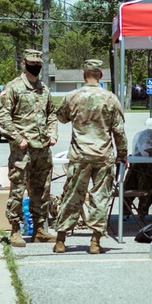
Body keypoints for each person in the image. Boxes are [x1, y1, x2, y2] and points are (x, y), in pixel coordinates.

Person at [52, 59, 127, 254]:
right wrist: (123, 155)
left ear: (83, 75)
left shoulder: (72, 96)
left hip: (79, 155)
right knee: (100, 198)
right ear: (101, 75)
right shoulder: (111, 98)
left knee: (71, 196)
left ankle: (60, 240)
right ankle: (95, 241)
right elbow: (119, 131)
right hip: (103, 156)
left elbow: (61, 117)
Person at [0, 49, 59, 247]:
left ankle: (39, 229)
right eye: (32, 62)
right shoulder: (14, 87)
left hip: (42, 150)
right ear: (24, 63)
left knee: (42, 190)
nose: (35, 66)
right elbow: (3, 117)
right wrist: (17, 138)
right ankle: (15, 230)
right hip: (22, 150)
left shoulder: (43, 89)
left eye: (38, 63)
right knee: (18, 189)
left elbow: (52, 114)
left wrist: (53, 134)